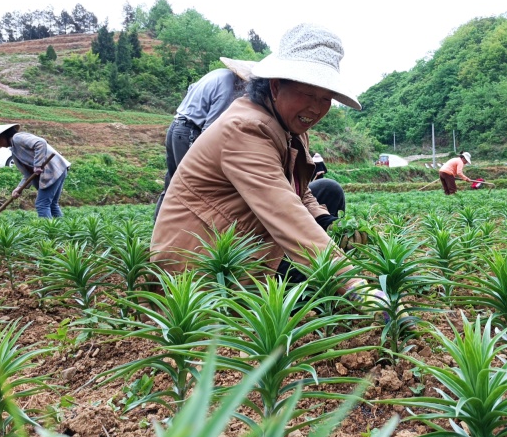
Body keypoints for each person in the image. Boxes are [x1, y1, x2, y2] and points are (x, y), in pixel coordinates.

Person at [152, 23, 377, 302]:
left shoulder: (289, 126)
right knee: (322, 291)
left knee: (327, 191)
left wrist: (327, 222)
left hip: (243, 229)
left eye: (326, 98)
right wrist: (356, 286)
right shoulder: (245, 128)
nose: (316, 108)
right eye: (308, 94)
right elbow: (284, 211)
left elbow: (298, 191)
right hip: (206, 260)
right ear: (275, 85)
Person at [154, 57, 257, 221]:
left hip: (176, 126)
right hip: (189, 131)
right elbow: (210, 128)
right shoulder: (227, 85)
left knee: (173, 183)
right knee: (191, 186)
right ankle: (184, 231)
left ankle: (158, 229)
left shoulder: (216, 74)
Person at [0, 124, 71, 217]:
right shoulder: (15, 149)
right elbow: (28, 172)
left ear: (3, 136)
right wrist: (19, 188)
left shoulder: (17, 138)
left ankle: (49, 231)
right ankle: (64, 229)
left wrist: (37, 165)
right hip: (58, 168)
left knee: (42, 204)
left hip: (52, 170)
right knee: (52, 204)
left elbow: (41, 143)